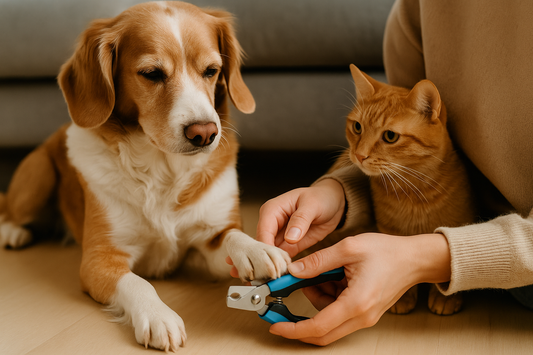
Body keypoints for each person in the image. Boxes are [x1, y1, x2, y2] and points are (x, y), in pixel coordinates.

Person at [240, 0, 533, 346]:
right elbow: (392, 107)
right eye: (355, 129)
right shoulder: (418, 8)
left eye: (389, 137)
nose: (360, 152)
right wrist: (338, 190)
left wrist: (434, 260)